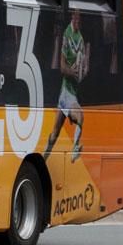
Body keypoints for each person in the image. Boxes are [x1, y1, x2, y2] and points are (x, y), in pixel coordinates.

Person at [44, 9, 86, 162]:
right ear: (71, 17)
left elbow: (82, 67)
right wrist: (73, 73)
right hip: (67, 91)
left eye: (79, 17)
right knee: (80, 116)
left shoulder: (80, 38)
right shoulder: (67, 36)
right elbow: (62, 67)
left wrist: (82, 71)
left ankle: (44, 157)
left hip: (70, 91)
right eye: (74, 16)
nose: (77, 19)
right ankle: (75, 148)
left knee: (55, 134)